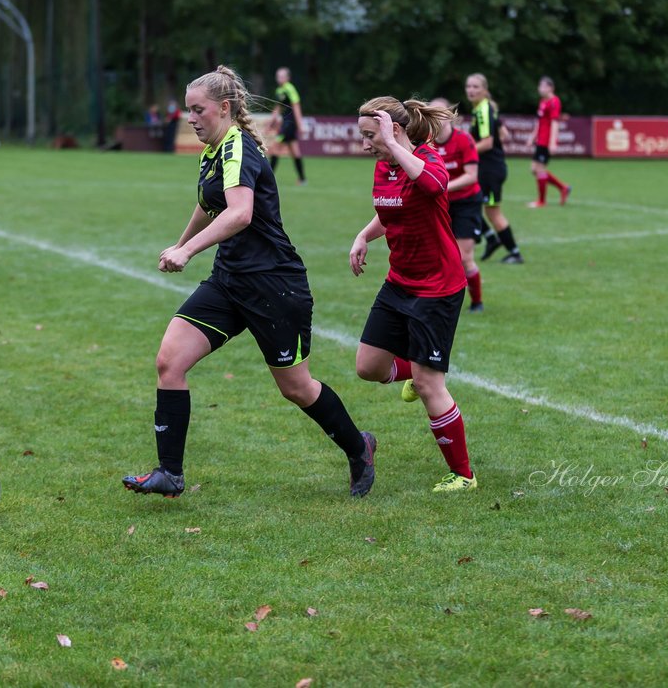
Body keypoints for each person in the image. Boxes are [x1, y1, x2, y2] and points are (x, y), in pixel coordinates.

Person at [123, 66, 376, 499]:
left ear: (224, 108)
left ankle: (359, 447)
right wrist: (181, 242)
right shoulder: (214, 150)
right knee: (170, 361)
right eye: (187, 110)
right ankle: (169, 473)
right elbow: (209, 205)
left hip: (273, 285)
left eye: (197, 109)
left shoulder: (238, 146)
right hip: (229, 280)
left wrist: (188, 252)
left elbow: (239, 213)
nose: (190, 118)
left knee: (296, 387)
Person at [349, 96, 477, 493]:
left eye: (371, 135)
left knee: (429, 385)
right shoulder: (383, 167)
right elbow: (390, 210)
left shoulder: (427, 156)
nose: (365, 144)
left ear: (395, 129)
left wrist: (396, 146)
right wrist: (364, 235)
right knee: (368, 366)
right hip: (400, 282)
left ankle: (463, 475)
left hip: (437, 288)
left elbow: (434, 184)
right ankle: (412, 369)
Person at [430, 98, 486, 312]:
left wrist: (442, 186)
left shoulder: (464, 140)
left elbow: (472, 176)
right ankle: (441, 299)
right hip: (440, 205)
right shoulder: (427, 142)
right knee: (437, 256)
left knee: (464, 257)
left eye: (438, 112)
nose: (434, 117)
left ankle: (477, 301)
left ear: (449, 115)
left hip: (466, 203)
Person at [464, 73, 522, 264]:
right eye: (468, 86)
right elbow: (503, 134)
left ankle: (514, 253)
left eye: (475, 87)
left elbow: (487, 143)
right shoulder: (484, 109)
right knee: (471, 204)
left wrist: (465, 151)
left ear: (485, 90)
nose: (471, 90)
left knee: (490, 211)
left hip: (489, 170)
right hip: (489, 167)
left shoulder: (483, 111)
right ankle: (491, 239)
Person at [528, 76, 571, 207]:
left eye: (543, 86)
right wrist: (533, 136)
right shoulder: (543, 101)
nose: (540, 89)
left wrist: (553, 142)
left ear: (550, 88)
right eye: (539, 86)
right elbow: (539, 122)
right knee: (534, 169)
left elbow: (554, 123)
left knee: (540, 169)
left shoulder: (554, 102)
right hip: (540, 140)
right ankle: (563, 187)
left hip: (546, 141)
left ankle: (541, 201)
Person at [266, 67, 307, 184]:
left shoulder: (290, 88)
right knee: (294, 150)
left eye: (282, 76)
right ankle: (302, 179)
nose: (280, 78)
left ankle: (268, 179)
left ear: (288, 78)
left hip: (290, 123)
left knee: (274, 148)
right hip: (286, 122)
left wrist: (300, 126)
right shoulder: (279, 90)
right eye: (278, 76)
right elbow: (277, 109)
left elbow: (296, 107)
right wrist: (270, 124)